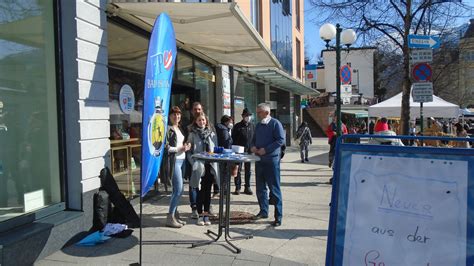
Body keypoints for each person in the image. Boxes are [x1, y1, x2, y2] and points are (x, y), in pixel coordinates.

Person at [250, 103, 285, 227]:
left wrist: (266, 149)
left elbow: (280, 140)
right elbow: (253, 139)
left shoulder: (275, 124)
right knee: (260, 188)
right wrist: (253, 147)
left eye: (259, 112)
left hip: (271, 160)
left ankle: (278, 216)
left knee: (274, 189)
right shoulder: (258, 125)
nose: (257, 114)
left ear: (266, 112)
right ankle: (263, 211)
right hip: (259, 160)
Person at [187, 113, 219, 226]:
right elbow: (189, 152)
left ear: (206, 121)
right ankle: (200, 215)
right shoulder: (192, 134)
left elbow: (216, 149)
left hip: (210, 166)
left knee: (208, 192)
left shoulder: (212, 133)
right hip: (198, 166)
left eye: (203, 120)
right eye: (199, 120)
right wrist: (193, 163)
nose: (202, 122)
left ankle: (206, 215)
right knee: (200, 192)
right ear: (196, 122)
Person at [165, 106, 191, 228]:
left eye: (178, 114)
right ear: (170, 116)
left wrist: (186, 145)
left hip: (182, 160)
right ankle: (170, 217)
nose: (177, 116)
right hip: (174, 161)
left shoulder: (180, 128)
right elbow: (166, 148)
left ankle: (175, 214)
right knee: (178, 190)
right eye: (174, 114)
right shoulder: (168, 129)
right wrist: (179, 149)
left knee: (178, 190)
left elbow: (181, 143)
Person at [232, 108, 255, 195]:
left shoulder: (252, 126)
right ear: (242, 116)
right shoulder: (238, 126)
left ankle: (247, 187)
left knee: (248, 170)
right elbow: (233, 139)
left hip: (249, 151)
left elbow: (254, 138)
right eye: (246, 116)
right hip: (239, 152)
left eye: (249, 116)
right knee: (238, 170)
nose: (248, 117)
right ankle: (237, 187)